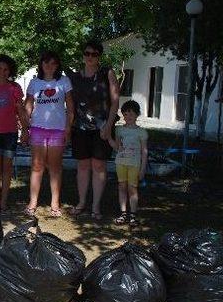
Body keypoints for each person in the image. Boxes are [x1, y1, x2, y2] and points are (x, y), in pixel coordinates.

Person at [68, 40, 120, 220]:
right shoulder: (74, 77)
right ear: (83, 55)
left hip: (102, 128)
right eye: (87, 53)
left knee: (99, 165)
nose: (90, 57)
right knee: (82, 165)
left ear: (99, 57)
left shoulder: (107, 73)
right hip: (80, 128)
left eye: (94, 54)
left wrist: (109, 125)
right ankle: (82, 202)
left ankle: (96, 205)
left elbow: (115, 101)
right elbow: (71, 106)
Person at [24, 51, 74, 217]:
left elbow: (71, 107)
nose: (49, 66)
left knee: (55, 167)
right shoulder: (34, 82)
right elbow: (28, 106)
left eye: (53, 63)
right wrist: (25, 127)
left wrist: (68, 127)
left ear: (57, 65)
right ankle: (33, 202)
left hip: (58, 130)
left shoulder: (64, 81)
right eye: (46, 62)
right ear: (41, 64)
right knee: (37, 166)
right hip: (38, 128)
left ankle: (55, 203)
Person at [0, 54, 29, 213]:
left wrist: (25, 130)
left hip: (10, 132)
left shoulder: (15, 87)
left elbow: (21, 110)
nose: (2, 72)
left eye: (6, 69)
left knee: (7, 168)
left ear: (10, 71)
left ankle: (4, 201)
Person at [109, 100, 148, 226]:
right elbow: (117, 147)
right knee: (122, 187)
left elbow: (144, 152)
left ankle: (133, 215)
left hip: (134, 164)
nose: (128, 117)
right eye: (125, 114)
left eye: (131, 114)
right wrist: (108, 137)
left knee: (133, 188)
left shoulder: (141, 132)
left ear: (137, 115)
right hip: (121, 162)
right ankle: (123, 213)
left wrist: (142, 169)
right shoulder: (119, 130)